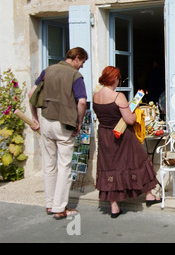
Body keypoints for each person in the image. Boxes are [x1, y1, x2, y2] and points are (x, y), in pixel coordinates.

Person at [29, 47, 88, 220]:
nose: (82, 66)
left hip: (46, 121)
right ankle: (59, 208)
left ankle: (50, 204)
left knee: (49, 165)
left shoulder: (48, 70)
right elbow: (82, 102)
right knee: (64, 167)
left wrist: (35, 118)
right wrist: (79, 123)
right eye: (82, 62)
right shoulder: (75, 76)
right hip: (64, 123)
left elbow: (31, 93)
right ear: (76, 58)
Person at [93, 66, 160, 218]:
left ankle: (114, 206)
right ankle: (149, 195)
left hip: (105, 134)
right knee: (140, 159)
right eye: (119, 79)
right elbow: (129, 119)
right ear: (115, 79)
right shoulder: (118, 96)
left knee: (109, 167)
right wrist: (136, 115)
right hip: (121, 135)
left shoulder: (96, 96)